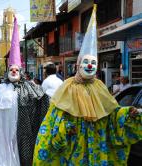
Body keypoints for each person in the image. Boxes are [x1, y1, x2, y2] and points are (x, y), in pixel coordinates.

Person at [33, 5, 141, 165]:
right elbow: (52, 121)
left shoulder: (100, 87)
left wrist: (128, 114)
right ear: (77, 65)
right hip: (73, 150)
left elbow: (112, 116)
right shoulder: (67, 87)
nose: (90, 65)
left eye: (93, 62)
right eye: (86, 62)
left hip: (98, 149)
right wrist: (64, 129)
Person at [0, 17, 50, 166]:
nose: (13, 71)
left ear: (21, 71)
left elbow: (43, 101)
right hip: (4, 136)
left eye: (16, 69)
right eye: (11, 69)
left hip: (25, 135)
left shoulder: (31, 88)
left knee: (25, 159)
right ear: (7, 71)